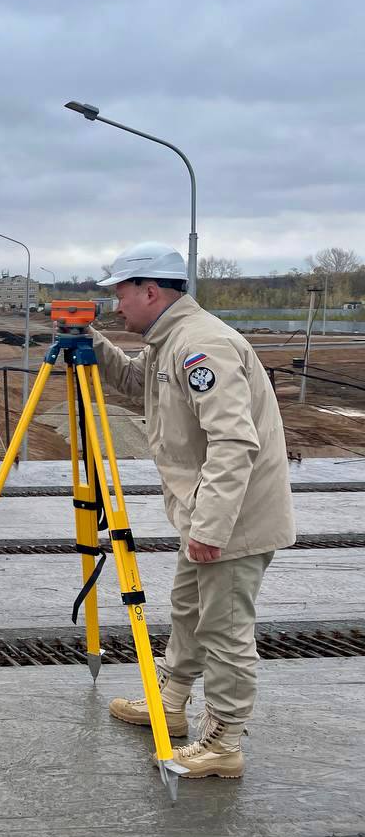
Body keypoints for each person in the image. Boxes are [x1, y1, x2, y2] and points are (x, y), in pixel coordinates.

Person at [89, 241, 295, 779]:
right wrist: (85, 341)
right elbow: (137, 384)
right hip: (207, 510)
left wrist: (210, 528)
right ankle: (172, 704)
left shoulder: (202, 345)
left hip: (234, 519)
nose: (117, 307)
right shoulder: (168, 339)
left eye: (120, 294)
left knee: (224, 628)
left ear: (150, 290)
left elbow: (233, 442)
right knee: (188, 609)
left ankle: (224, 741)